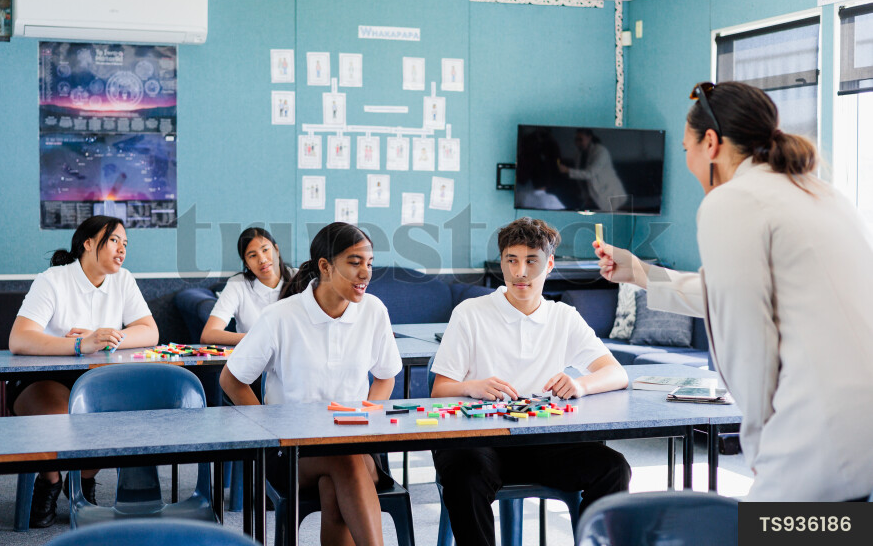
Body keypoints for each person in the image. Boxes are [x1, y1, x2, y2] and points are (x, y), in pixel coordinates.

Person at [594, 81, 873, 502]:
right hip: (859, 427)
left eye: (687, 148)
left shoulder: (734, 201)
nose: (687, 161)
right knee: (840, 532)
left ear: (711, 143)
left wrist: (761, 446)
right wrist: (641, 272)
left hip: (819, 432)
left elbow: (749, 346)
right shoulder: (818, 193)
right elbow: (728, 290)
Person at [430, 217, 631, 546]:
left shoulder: (562, 317)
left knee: (613, 468)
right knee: (465, 473)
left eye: (531, 261)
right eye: (512, 260)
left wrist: (581, 385)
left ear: (549, 264)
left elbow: (616, 373)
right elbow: (440, 390)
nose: (520, 272)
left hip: (543, 442)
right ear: (502, 263)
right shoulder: (470, 312)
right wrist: (472, 387)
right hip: (479, 441)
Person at [220, 222, 401, 546]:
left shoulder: (373, 311)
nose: (365, 273)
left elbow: (386, 375)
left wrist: (369, 414)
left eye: (369, 263)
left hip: (356, 446)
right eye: (355, 262)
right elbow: (231, 380)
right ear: (325, 266)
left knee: (339, 474)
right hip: (290, 453)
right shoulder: (280, 317)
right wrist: (268, 429)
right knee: (341, 464)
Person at [7, 215, 159, 527]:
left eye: (125, 244)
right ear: (88, 243)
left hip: (97, 380)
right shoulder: (53, 279)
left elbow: (150, 331)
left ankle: (84, 480)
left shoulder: (124, 279)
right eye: (114, 240)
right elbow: (19, 339)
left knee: (114, 421)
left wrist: (103, 338)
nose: (121, 249)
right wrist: (79, 345)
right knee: (59, 420)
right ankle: (49, 480)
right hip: (43, 377)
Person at [200, 227, 293, 346]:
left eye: (265, 250)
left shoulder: (299, 278)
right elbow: (208, 334)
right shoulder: (238, 284)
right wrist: (257, 338)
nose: (262, 259)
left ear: (276, 250)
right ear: (246, 264)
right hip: (254, 360)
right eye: (253, 255)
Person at [557, 128, 626, 211]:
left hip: (610, 196)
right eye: (576, 140)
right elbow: (582, 180)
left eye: (580, 139)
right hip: (593, 198)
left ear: (589, 137)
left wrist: (568, 170)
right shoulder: (579, 155)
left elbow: (590, 173)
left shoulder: (600, 151)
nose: (578, 143)